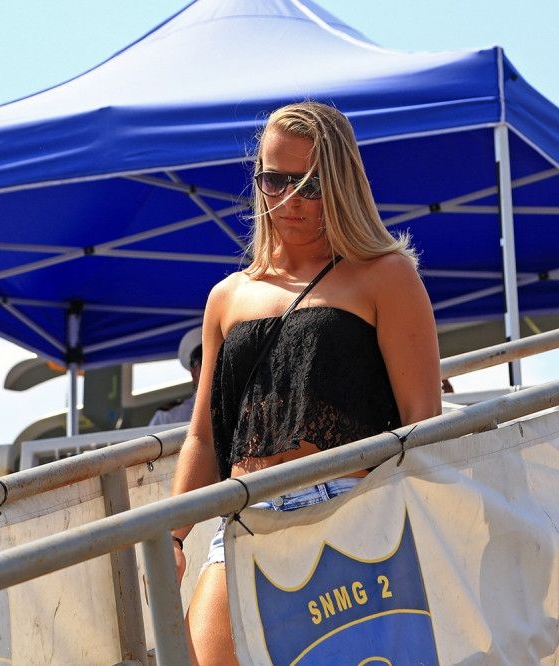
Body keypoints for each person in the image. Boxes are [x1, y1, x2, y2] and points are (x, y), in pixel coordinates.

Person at [169, 102, 442, 665]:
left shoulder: (385, 275)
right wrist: (171, 535)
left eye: (309, 184)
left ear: (340, 184)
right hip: (244, 513)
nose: (288, 199)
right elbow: (203, 437)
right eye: (273, 180)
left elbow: (423, 422)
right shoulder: (228, 296)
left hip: (351, 507)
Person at [148, 327, 202, 427]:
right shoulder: (168, 417)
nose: (214, 369)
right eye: (204, 363)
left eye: (220, 361)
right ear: (194, 373)